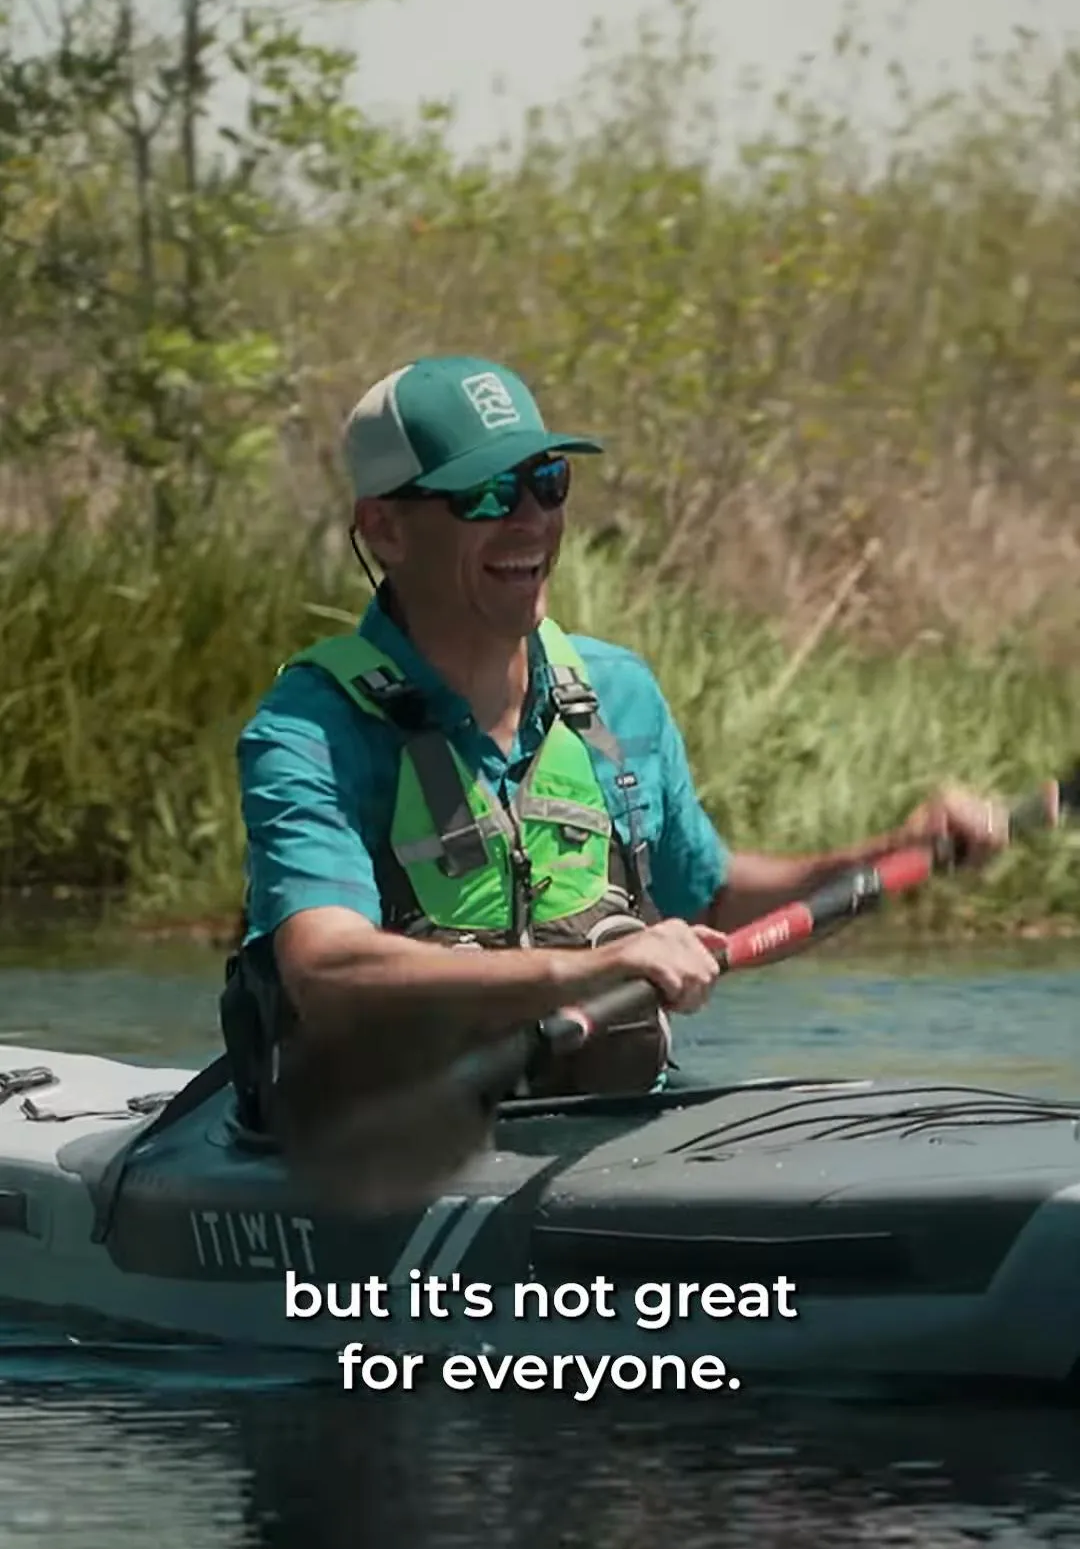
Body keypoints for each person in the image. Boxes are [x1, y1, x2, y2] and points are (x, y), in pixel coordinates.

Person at [220, 353, 1009, 1196]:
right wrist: (585, 970)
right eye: (484, 495)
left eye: (547, 483)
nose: (529, 522)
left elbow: (706, 904)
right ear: (383, 529)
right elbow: (329, 972)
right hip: (385, 1152)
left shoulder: (615, 694)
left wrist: (893, 854)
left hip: (612, 1140)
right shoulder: (313, 724)